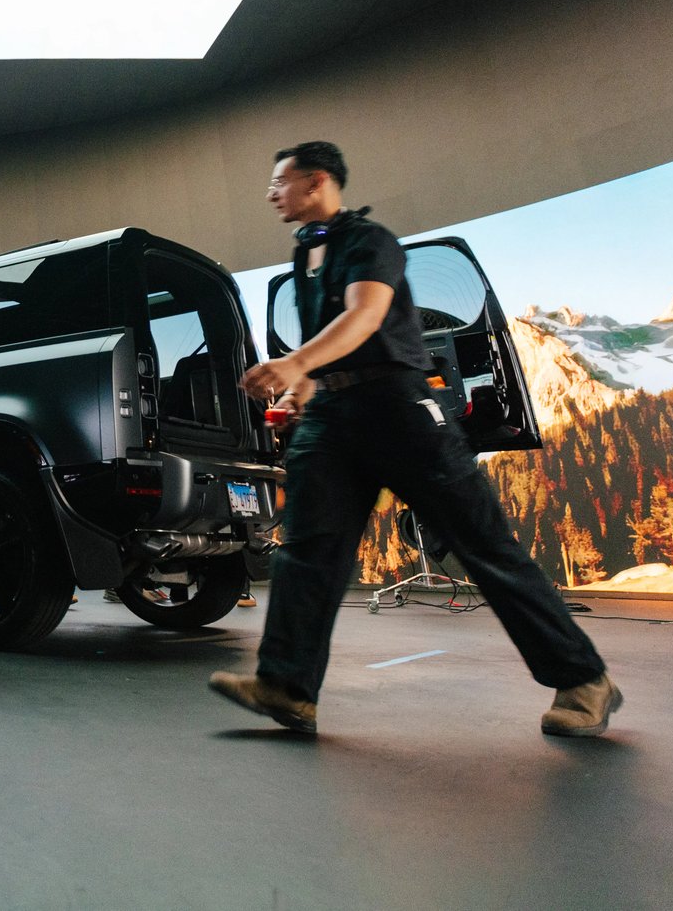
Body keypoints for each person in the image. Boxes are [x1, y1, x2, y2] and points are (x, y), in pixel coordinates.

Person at [210, 142, 620, 738]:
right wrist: (303, 390)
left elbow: (365, 316)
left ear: (316, 181)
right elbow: (332, 343)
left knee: (481, 544)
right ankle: (287, 686)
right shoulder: (304, 260)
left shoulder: (370, 242)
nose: (271, 193)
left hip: (397, 406)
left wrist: (295, 362)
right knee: (308, 547)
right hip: (332, 416)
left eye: (280, 181)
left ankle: (585, 680)